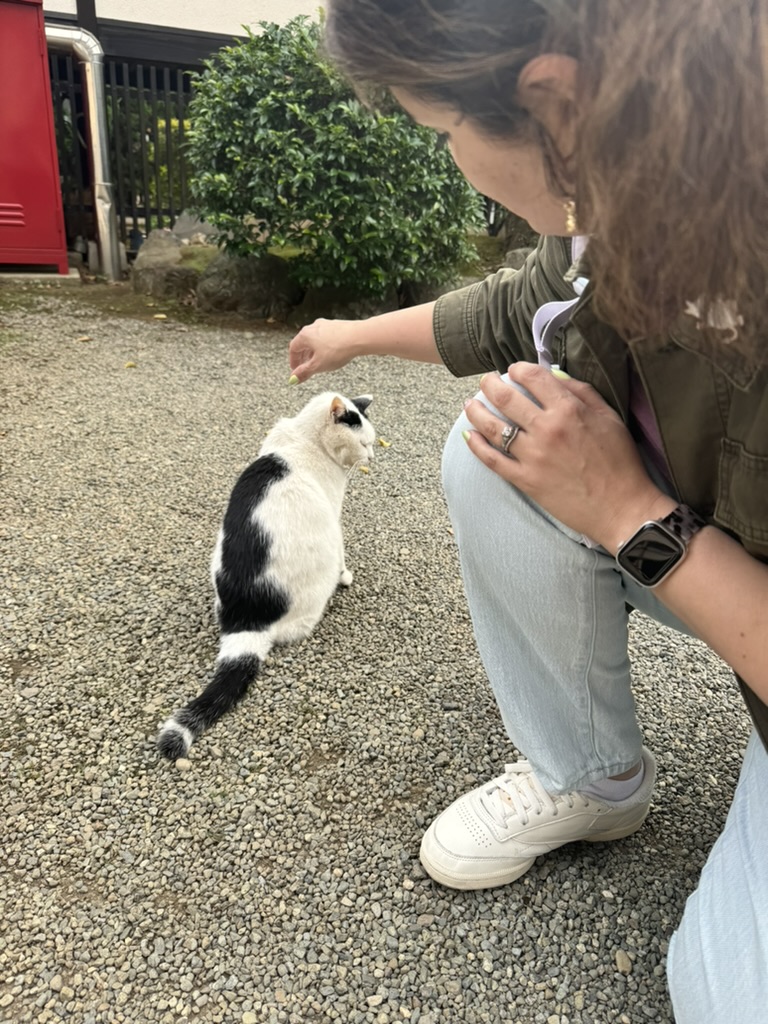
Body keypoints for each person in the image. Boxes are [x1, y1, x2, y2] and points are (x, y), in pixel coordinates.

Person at [287, 2, 768, 1021]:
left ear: (555, 98)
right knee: (500, 437)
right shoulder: (650, 189)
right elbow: (519, 303)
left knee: (725, 996)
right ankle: (588, 775)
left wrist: (632, 511)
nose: (452, 159)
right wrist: (351, 334)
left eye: (442, 132)